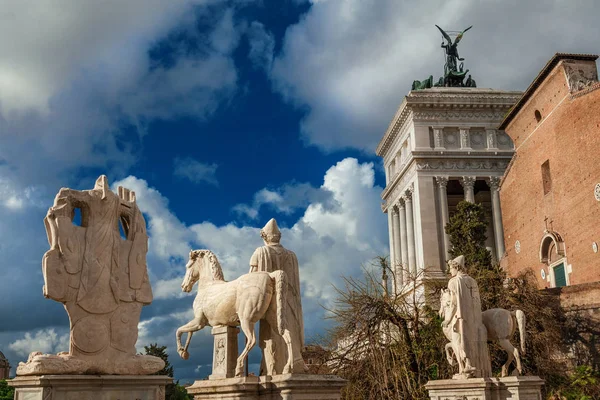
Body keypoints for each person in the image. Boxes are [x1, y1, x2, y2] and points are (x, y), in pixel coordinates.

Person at [249, 218, 307, 375]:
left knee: (273, 335)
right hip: (290, 302)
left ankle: (273, 368)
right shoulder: (291, 256)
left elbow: (250, 282)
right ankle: (294, 363)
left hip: (269, 302)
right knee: (290, 333)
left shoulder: (260, 252)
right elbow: (294, 284)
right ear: (278, 236)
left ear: (264, 236)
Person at [445, 255, 491, 378]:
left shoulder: (453, 282)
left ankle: (467, 366)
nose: (450, 271)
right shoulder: (472, 281)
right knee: (472, 340)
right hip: (473, 318)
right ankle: (474, 367)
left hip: (459, 318)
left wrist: (448, 319)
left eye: (450, 268)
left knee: (458, 341)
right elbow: (476, 301)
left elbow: (454, 303)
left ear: (456, 267)